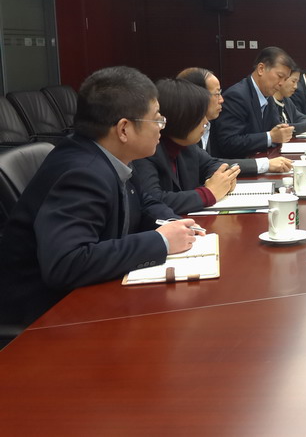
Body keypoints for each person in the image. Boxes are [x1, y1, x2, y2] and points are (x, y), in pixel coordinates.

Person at [0, 66, 200, 328]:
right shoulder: (82, 173)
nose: (161, 127)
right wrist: (161, 242)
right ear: (124, 129)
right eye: (156, 120)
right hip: (45, 314)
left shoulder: (113, 155)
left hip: (85, 294)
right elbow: (66, 263)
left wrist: (174, 224)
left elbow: (144, 202)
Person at [132, 79, 242, 214]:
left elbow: (213, 163)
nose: (206, 122)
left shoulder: (186, 145)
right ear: (182, 118)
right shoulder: (147, 150)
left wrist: (222, 178)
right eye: (200, 117)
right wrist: (208, 193)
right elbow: (154, 201)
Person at [177, 67, 293, 174]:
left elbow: (210, 163)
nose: (222, 99)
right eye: (217, 94)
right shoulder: (184, 133)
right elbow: (211, 163)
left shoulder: (207, 124)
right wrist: (265, 164)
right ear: (196, 96)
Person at [209, 46, 297, 159]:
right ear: (261, 69)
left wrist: (282, 132)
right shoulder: (237, 96)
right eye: (280, 76)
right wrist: (271, 137)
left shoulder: (268, 97)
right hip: (237, 166)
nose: (281, 83)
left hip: (263, 161)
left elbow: (275, 128)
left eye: (285, 79)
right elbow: (229, 142)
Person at [273, 67, 306, 133]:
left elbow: (303, 118)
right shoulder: (269, 102)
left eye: (297, 82)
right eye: (293, 81)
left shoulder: (287, 101)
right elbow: (279, 128)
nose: (296, 86)